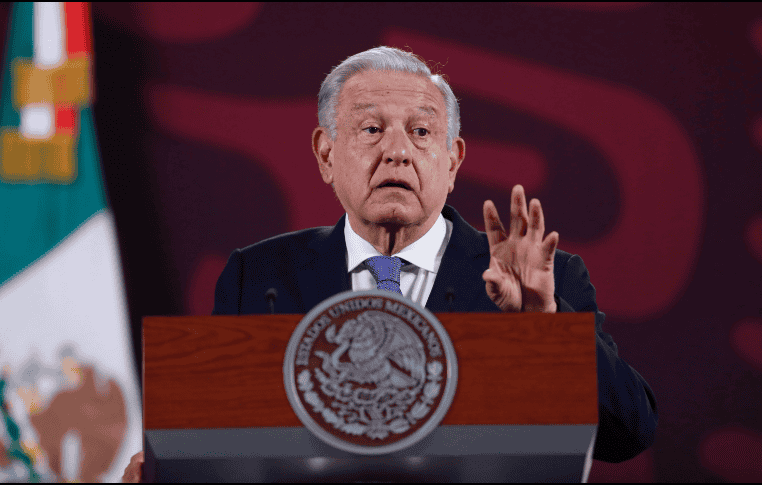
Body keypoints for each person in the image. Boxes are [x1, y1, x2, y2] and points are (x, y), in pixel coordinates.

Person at [123, 46, 658, 482]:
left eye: (421, 132)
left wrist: (545, 325)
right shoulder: (259, 277)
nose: (398, 151)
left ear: (453, 161)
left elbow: (627, 434)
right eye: (371, 129)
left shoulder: (544, 283)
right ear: (326, 154)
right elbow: (221, 449)